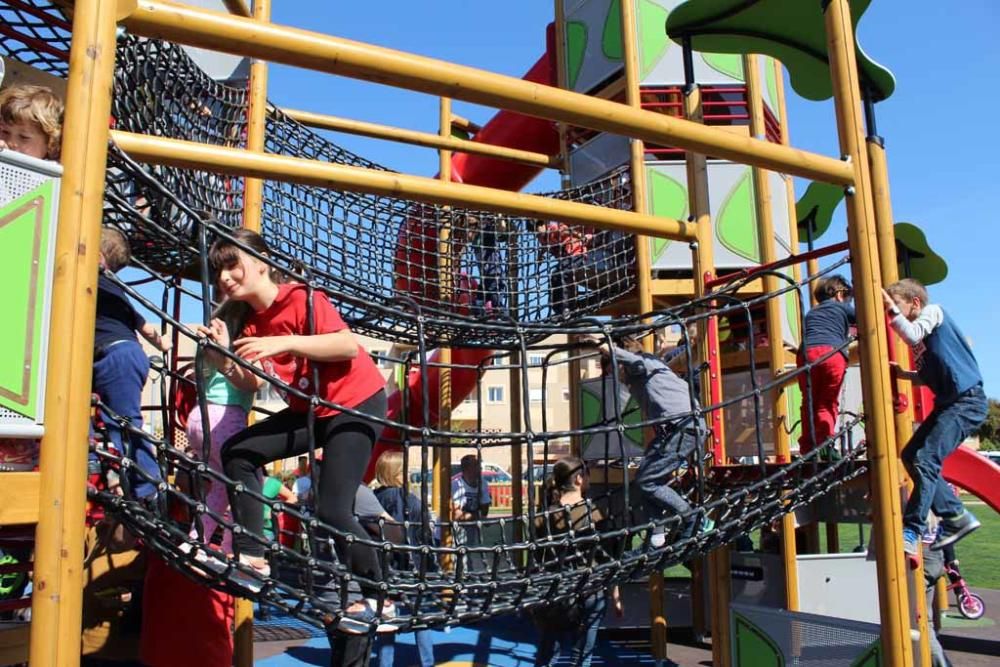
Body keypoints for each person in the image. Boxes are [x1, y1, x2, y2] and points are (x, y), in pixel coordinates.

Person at [204, 229, 389, 631]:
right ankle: (253, 556)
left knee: (333, 508)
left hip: (355, 403)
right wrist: (222, 357)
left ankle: (381, 595)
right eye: (218, 271)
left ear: (262, 262)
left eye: (232, 265)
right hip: (313, 412)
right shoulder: (250, 324)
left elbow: (345, 346)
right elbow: (250, 384)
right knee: (239, 452)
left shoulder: (301, 298)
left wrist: (280, 344)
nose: (224, 278)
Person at [883, 278, 986, 555]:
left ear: (915, 302)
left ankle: (912, 528)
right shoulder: (924, 343)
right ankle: (955, 515)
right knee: (910, 454)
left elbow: (913, 333)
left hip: (967, 403)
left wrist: (890, 308)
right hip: (950, 404)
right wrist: (905, 376)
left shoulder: (934, 312)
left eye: (897, 304)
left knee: (926, 458)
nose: (891, 311)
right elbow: (929, 375)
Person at [590, 334, 706, 547]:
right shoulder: (645, 372)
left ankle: (692, 517)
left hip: (682, 427)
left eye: (612, 371)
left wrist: (605, 346)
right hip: (674, 430)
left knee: (647, 481)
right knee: (645, 476)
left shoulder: (643, 364)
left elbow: (633, 360)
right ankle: (657, 536)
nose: (615, 378)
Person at [94, 227, 171, 500]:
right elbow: (142, 323)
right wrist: (160, 341)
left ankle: (149, 490)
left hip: (117, 357)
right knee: (105, 420)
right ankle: (100, 466)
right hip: (124, 356)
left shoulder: (92, 271)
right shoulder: (113, 286)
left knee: (125, 425)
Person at [533, 457, 622, 667]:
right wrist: (616, 594)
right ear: (579, 479)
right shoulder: (594, 514)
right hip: (589, 590)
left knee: (547, 653)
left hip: (556, 590)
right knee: (582, 656)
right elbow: (607, 558)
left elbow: (537, 559)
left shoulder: (545, 515)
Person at [186, 299, 257, 553]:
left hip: (199, 416)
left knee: (221, 489)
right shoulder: (239, 346)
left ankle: (195, 541)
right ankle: (235, 549)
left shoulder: (210, 347)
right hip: (225, 418)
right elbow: (254, 382)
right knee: (249, 484)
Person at [371, 451, 436, 667]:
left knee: (387, 618)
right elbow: (424, 531)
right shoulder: (408, 498)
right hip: (411, 564)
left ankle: (384, 663)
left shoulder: (375, 497)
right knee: (419, 618)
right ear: (399, 472)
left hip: (383, 565)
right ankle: (426, 662)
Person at [797, 275, 856, 455]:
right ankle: (825, 446)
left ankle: (807, 448)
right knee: (826, 402)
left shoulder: (811, 312)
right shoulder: (842, 308)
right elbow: (865, 317)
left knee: (809, 402)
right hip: (831, 354)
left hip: (805, 355)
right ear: (839, 295)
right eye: (848, 297)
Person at [451, 454, 492, 572]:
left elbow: (485, 510)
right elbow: (456, 515)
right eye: (477, 466)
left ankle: (467, 580)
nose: (480, 469)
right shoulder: (457, 485)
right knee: (458, 557)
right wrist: (478, 516)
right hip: (453, 529)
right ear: (467, 469)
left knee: (467, 555)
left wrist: (479, 513)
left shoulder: (482, 483)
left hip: (469, 527)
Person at [0, 84, 62, 161]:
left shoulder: (52, 171)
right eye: (5, 132)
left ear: (51, 145)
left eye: (24, 137)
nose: (10, 142)